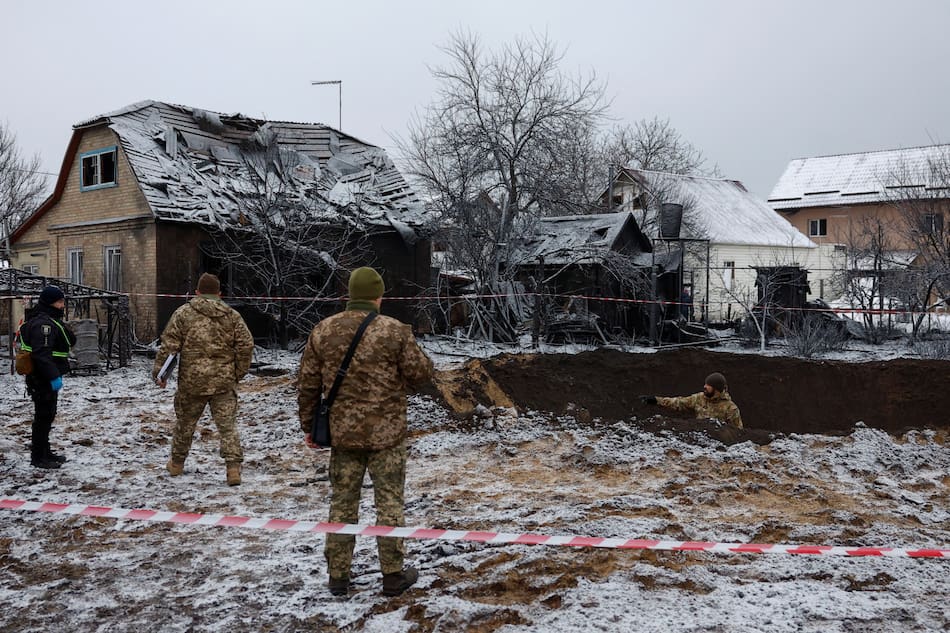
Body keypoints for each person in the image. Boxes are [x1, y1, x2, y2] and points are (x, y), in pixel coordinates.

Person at [298, 267, 433, 598]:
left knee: (342, 503)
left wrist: (309, 426)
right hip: (387, 436)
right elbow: (421, 375)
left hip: (343, 436)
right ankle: (392, 575)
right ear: (379, 296)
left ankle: (338, 577)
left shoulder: (323, 330)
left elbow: (307, 384)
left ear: (349, 294)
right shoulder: (395, 331)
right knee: (389, 502)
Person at [153, 273, 254, 486]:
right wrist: (238, 372)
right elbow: (246, 345)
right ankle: (233, 469)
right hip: (223, 381)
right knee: (227, 426)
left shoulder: (183, 314)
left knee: (185, 424)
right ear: (219, 293)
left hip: (192, 382)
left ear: (197, 292)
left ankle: (177, 464)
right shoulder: (232, 316)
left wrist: (160, 375)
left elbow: (170, 346)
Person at [19, 285, 76, 469]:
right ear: (51, 302)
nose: (62, 305)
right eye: (59, 302)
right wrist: (53, 377)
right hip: (42, 378)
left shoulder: (48, 320)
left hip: (44, 376)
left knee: (47, 416)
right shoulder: (43, 324)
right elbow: (42, 354)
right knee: (43, 417)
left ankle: (45, 452)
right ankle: (38, 457)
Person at [640, 372, 743, 428]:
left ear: (716, 389)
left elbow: (737, 433)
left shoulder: (731, 409)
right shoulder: (699, 398)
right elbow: (679, 403)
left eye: (708, 385)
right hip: (699, 439)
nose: (704, 387)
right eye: (705, 384)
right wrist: (656, 400)